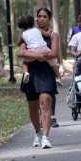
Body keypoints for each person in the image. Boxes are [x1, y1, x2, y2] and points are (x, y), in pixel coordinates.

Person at [19, 8, 60, 148]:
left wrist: (36, 56)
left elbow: (54, 53)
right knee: (33, 107)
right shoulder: (30, 33)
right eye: (39, 16)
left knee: (45, 103)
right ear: (36, 19)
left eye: (45, 16)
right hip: (31, 73)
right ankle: (37, 131)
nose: (42, 19)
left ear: (49, 19)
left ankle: (45, 137)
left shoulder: (53, 35)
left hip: (46, 72)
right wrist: (36, 56)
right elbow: (21, 52)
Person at [17, 14, 60, 84]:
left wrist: (22, 41)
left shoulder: (23, 34)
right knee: (52, 61)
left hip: (33, 51)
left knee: (25, 61)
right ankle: (58, 77)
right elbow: (48, 34)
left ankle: (26, 73)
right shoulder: (37, 29)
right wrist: (49, 29)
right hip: (44, 49)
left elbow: (18, 43)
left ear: (21, 26)